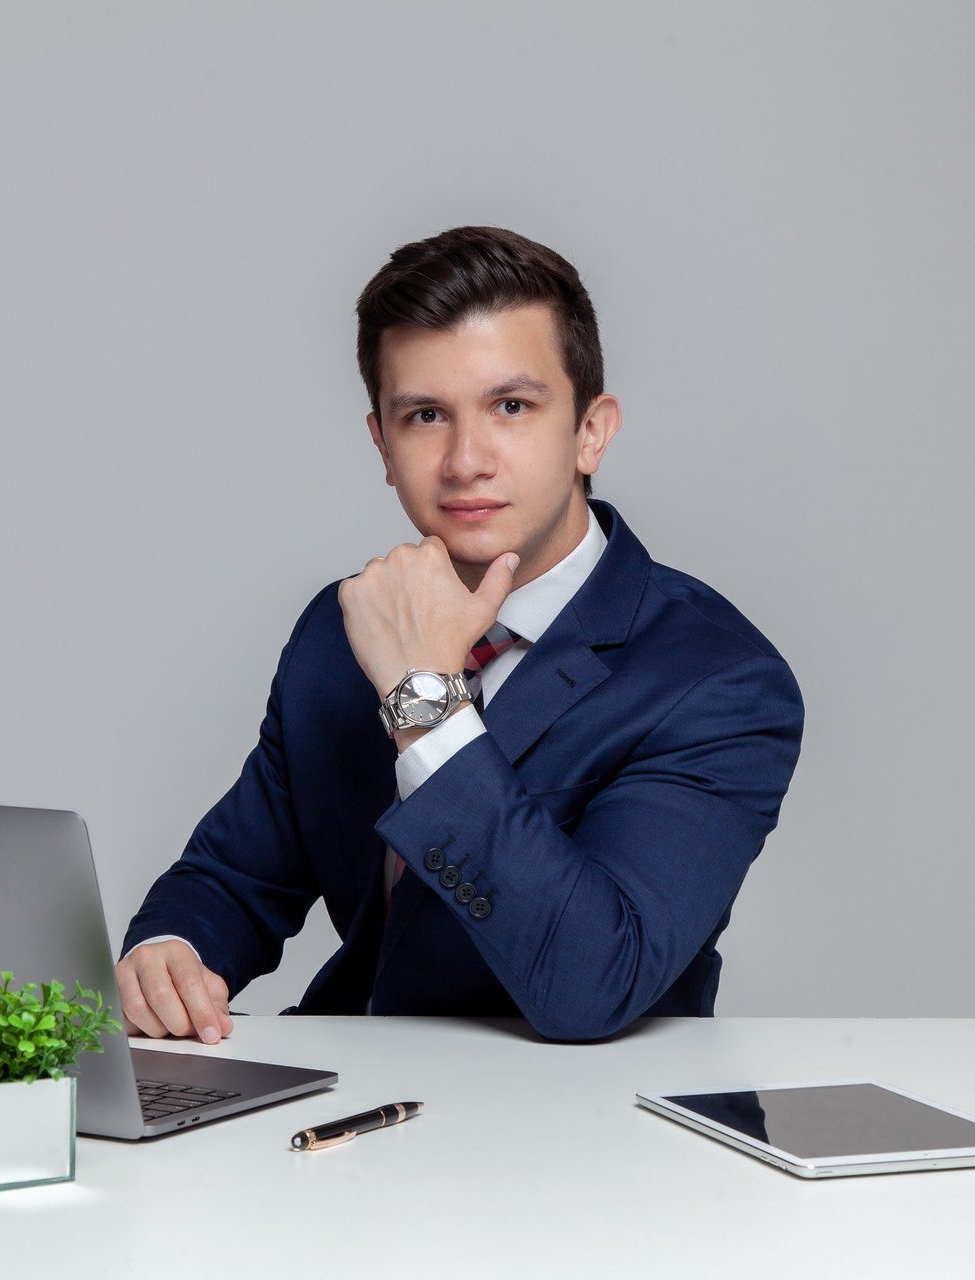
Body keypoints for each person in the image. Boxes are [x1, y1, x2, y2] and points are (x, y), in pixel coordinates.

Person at [116, 226, 804, 1043]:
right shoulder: (341, 630)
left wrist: (424, 701)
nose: (465, 460)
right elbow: (232, 878)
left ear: (591, 431)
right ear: (382, 443)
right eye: (425, 415)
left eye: (511, 407)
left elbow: (595, 981)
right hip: (349, 1113)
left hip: (583, 1132)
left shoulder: (717, 680)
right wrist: (171, 951)